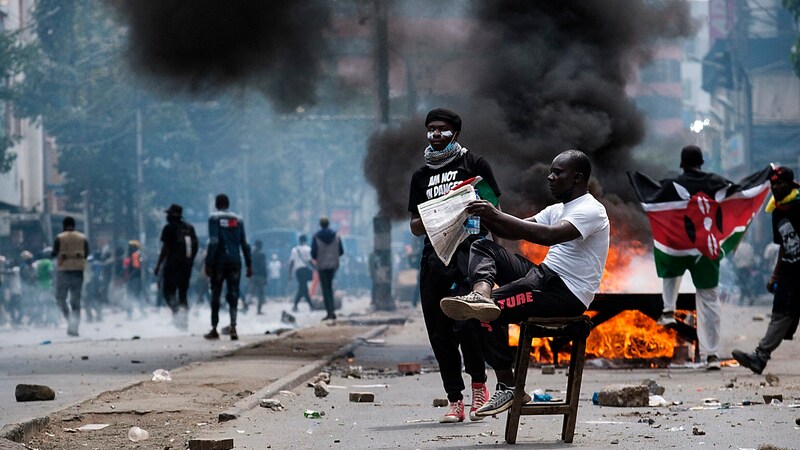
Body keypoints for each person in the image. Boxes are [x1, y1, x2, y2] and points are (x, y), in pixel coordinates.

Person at [439, 149, 610, 417]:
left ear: (577, 178)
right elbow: (513, 229)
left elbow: (548, 236)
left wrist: (494, 215)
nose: (551, 177)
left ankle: (508, 385)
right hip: (543, 276)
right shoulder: (558, 209)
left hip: (564, 293)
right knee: (484, 246)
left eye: (557, 172)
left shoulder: (591, 210)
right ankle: (481, 292)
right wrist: (485, 212)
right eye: (551, 172)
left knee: (486, 313)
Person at [408, 108, 512, 423]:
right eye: (431, 129)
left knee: (468, 325)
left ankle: (479, 386)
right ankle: (455, 400)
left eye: (442, 129)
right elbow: (414, 224)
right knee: (439, 334)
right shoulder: (421, 176)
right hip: (434, 260)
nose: (436, 134)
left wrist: (497, 255)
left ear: (456, 133)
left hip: (470, 256)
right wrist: (437, 213)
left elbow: (495, 209)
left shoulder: (475, 165)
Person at [653, 145, 737, 370]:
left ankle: (668, 309)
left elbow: (654, 202)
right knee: (709, 300)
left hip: (679, 245)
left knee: (670, 269)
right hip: (705, 249)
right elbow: (736, 195)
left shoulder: (673, 185)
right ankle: (712, 356)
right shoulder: (717, 181)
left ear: (682, 163)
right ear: (702, 162)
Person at [732, 166, 800, 374]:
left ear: (791, 183)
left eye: (781, 183)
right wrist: (775, 275)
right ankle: (759, 358)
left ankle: (760, 357)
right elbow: (782, 247)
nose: (776, 187)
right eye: (773, 184)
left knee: (783, 315)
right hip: (789, 271)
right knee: (780, 314)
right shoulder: (777, 211)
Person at [204, 194, 252, 340]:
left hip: (219, 262)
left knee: (216, 294)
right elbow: (244, 243)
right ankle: (233, 326)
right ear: (228, 204)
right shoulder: (238, 219)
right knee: (233, 294)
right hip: (235, 261)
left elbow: (213, 241)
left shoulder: (214, 218)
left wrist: (208, 262)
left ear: (216, 205)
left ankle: (214, 328)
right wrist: (249, 264)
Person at [154, 204, 199, 330]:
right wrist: (190, 262)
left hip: (172, 265)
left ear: (172, 215)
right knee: (183, 293)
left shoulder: (169, 228)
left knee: (168, 292)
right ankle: (183, 321)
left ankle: (177, 313)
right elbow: (195, 246)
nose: (167, 216)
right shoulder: (190, 228)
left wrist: (158, 265)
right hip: (187, 266)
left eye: (168, 214)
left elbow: (165, 248)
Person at [51, 216, 89, 336]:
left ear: (64, 225)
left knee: (60, 299)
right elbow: (87, 254)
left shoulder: (59, 238)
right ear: (74, 225)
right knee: (75, 301)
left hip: (64, 272)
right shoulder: (83, 238)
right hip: (78, 272)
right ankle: (74, 327)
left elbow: (53, 253)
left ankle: (70, 321)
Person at [311, 216, 343, 321]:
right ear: (328, 224)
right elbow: (341, 251)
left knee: (325, 289)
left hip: (322, 265)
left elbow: (313, 253)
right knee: (330, 287)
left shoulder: (316, 237)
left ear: (320, 225)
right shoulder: (336, 236)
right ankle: (332, 311)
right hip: (333, 265)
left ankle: (329, 312)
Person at [288, 235, 313, 312]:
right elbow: (310, 261)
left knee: (303, 287)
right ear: (306, 240)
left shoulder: (294, 250)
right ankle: (308, 305)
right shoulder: (308, 249)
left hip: (298, 271)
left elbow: (291, 263)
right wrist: (316, 268)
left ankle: (299, 305)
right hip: (305, 270)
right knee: (303, 288)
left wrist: (290, 273)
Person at [250, 240, 267, 315]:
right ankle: (259, 310)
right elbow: (263, 266)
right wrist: (265, 277)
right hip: (260, 276)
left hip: (252, 275)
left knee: (250, 292)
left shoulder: (251, 254)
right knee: (260, 293)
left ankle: (246, 306)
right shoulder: (262, 254)